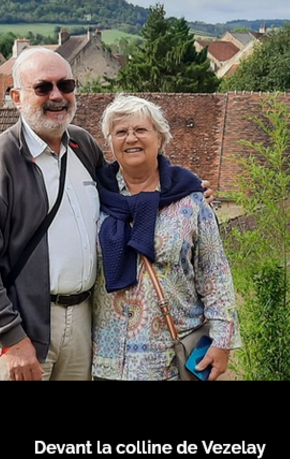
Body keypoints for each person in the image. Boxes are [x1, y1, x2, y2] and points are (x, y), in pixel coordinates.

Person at [0, 48, 213, 381]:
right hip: (25, 325)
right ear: (17, 97)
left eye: (66, 85)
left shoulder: (82, 145)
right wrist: (10, 339)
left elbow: (128, 192)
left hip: (82, 322)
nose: (57, 96)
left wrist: (185, 189)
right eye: (43, 87)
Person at [93, 94, 241, 381]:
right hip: (106, 359)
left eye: (140, 130)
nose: (131, 138)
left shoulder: (190, 199)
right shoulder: (93, 196)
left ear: (160, 139)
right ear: (109, 143)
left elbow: (215, 273)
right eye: (120, 132)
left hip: (172, 358)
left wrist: (223, 341)